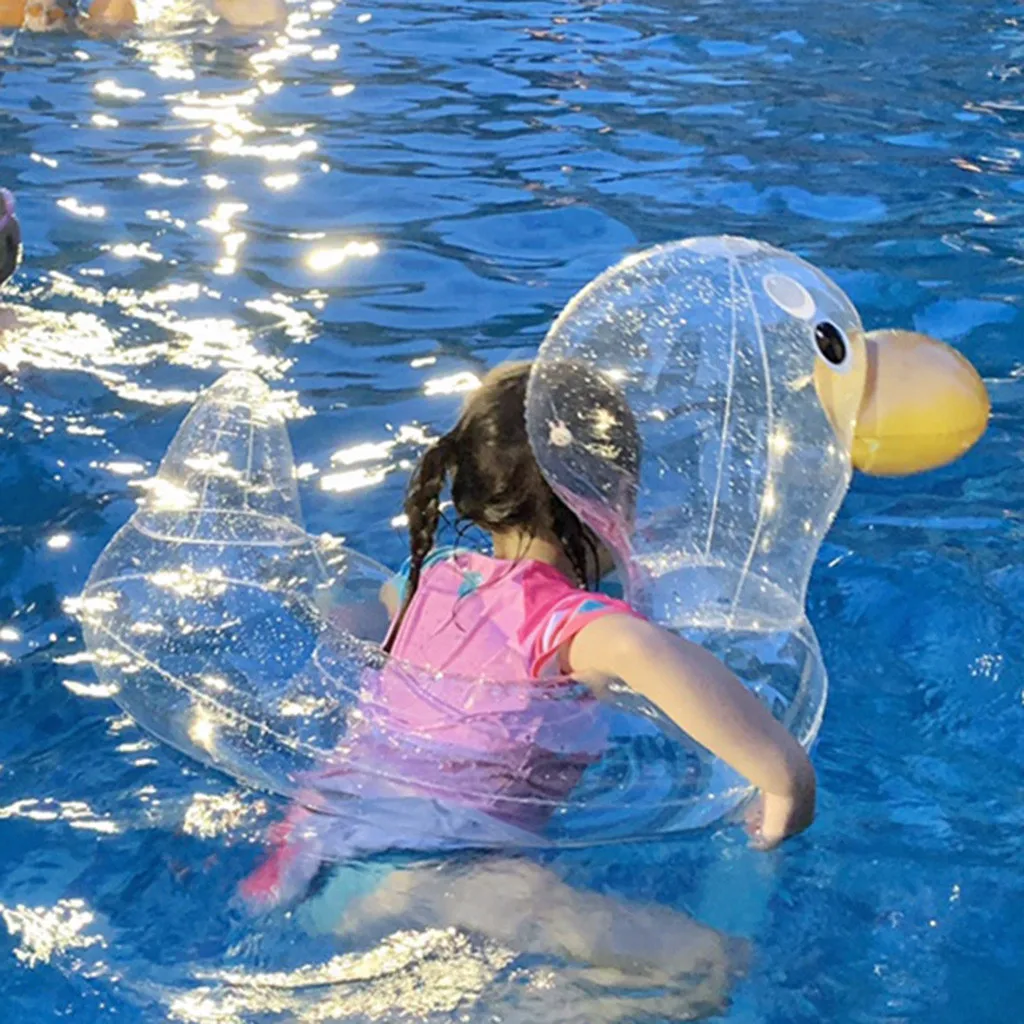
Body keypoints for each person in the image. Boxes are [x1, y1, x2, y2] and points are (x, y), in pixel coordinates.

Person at [242, 361, 815, 998]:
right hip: (431, 874)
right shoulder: (574, 625)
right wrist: (785, 779)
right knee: (704, 967)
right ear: (611, 500)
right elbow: (659, 659)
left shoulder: (428, 577)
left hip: (310, 848)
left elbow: (347, 628)